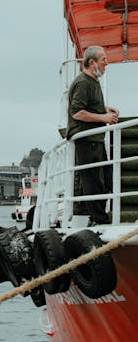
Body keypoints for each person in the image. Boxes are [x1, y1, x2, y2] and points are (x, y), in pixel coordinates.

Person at [66, 45, 118, 224]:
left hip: (95, 138)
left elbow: (88, 107)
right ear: (91, 62)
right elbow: (77, 112)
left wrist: (104, 110)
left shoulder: (93, 81)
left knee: (104, 179)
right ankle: (98, 218)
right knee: (93, 180)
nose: (107, 63)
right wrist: (103, 117)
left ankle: (98, 216)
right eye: (103, 59)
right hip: (86, 138)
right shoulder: (82, 83)